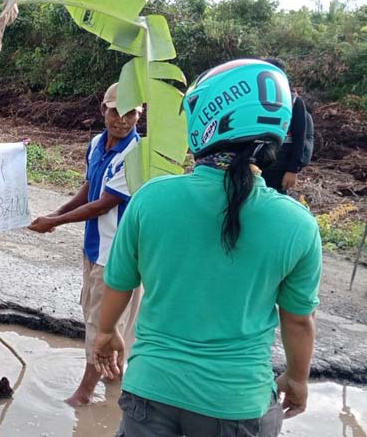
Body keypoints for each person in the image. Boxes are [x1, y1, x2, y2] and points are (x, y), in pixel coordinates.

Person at [94, 59, 322, 437]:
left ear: (204, 120)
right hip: (238, 403)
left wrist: (106, 333)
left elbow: (119, 282)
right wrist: (298, 378)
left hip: (151, 391)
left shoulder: (151, 199)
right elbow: (297, 320)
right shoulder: (297, 224)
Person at [28, 82, 143, 406]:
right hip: (94, 249)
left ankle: (83, 394)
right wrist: (55, 212)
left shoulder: (135, 155)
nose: (122, 119)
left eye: (131, 113)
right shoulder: (96, 144)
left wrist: (55, 222)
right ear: (102, 111)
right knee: (105, 320)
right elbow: (89, 189)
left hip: (117, 255)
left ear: (139, 116)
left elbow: (102, 204)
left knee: (101, 324)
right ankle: (115, 383)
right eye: (115, 111)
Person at [260, 57, 307, 194]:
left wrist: (292, 170)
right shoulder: (254, 100)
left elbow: (300, 138)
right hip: (254, 163)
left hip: (279, 165)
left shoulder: (294, 102)